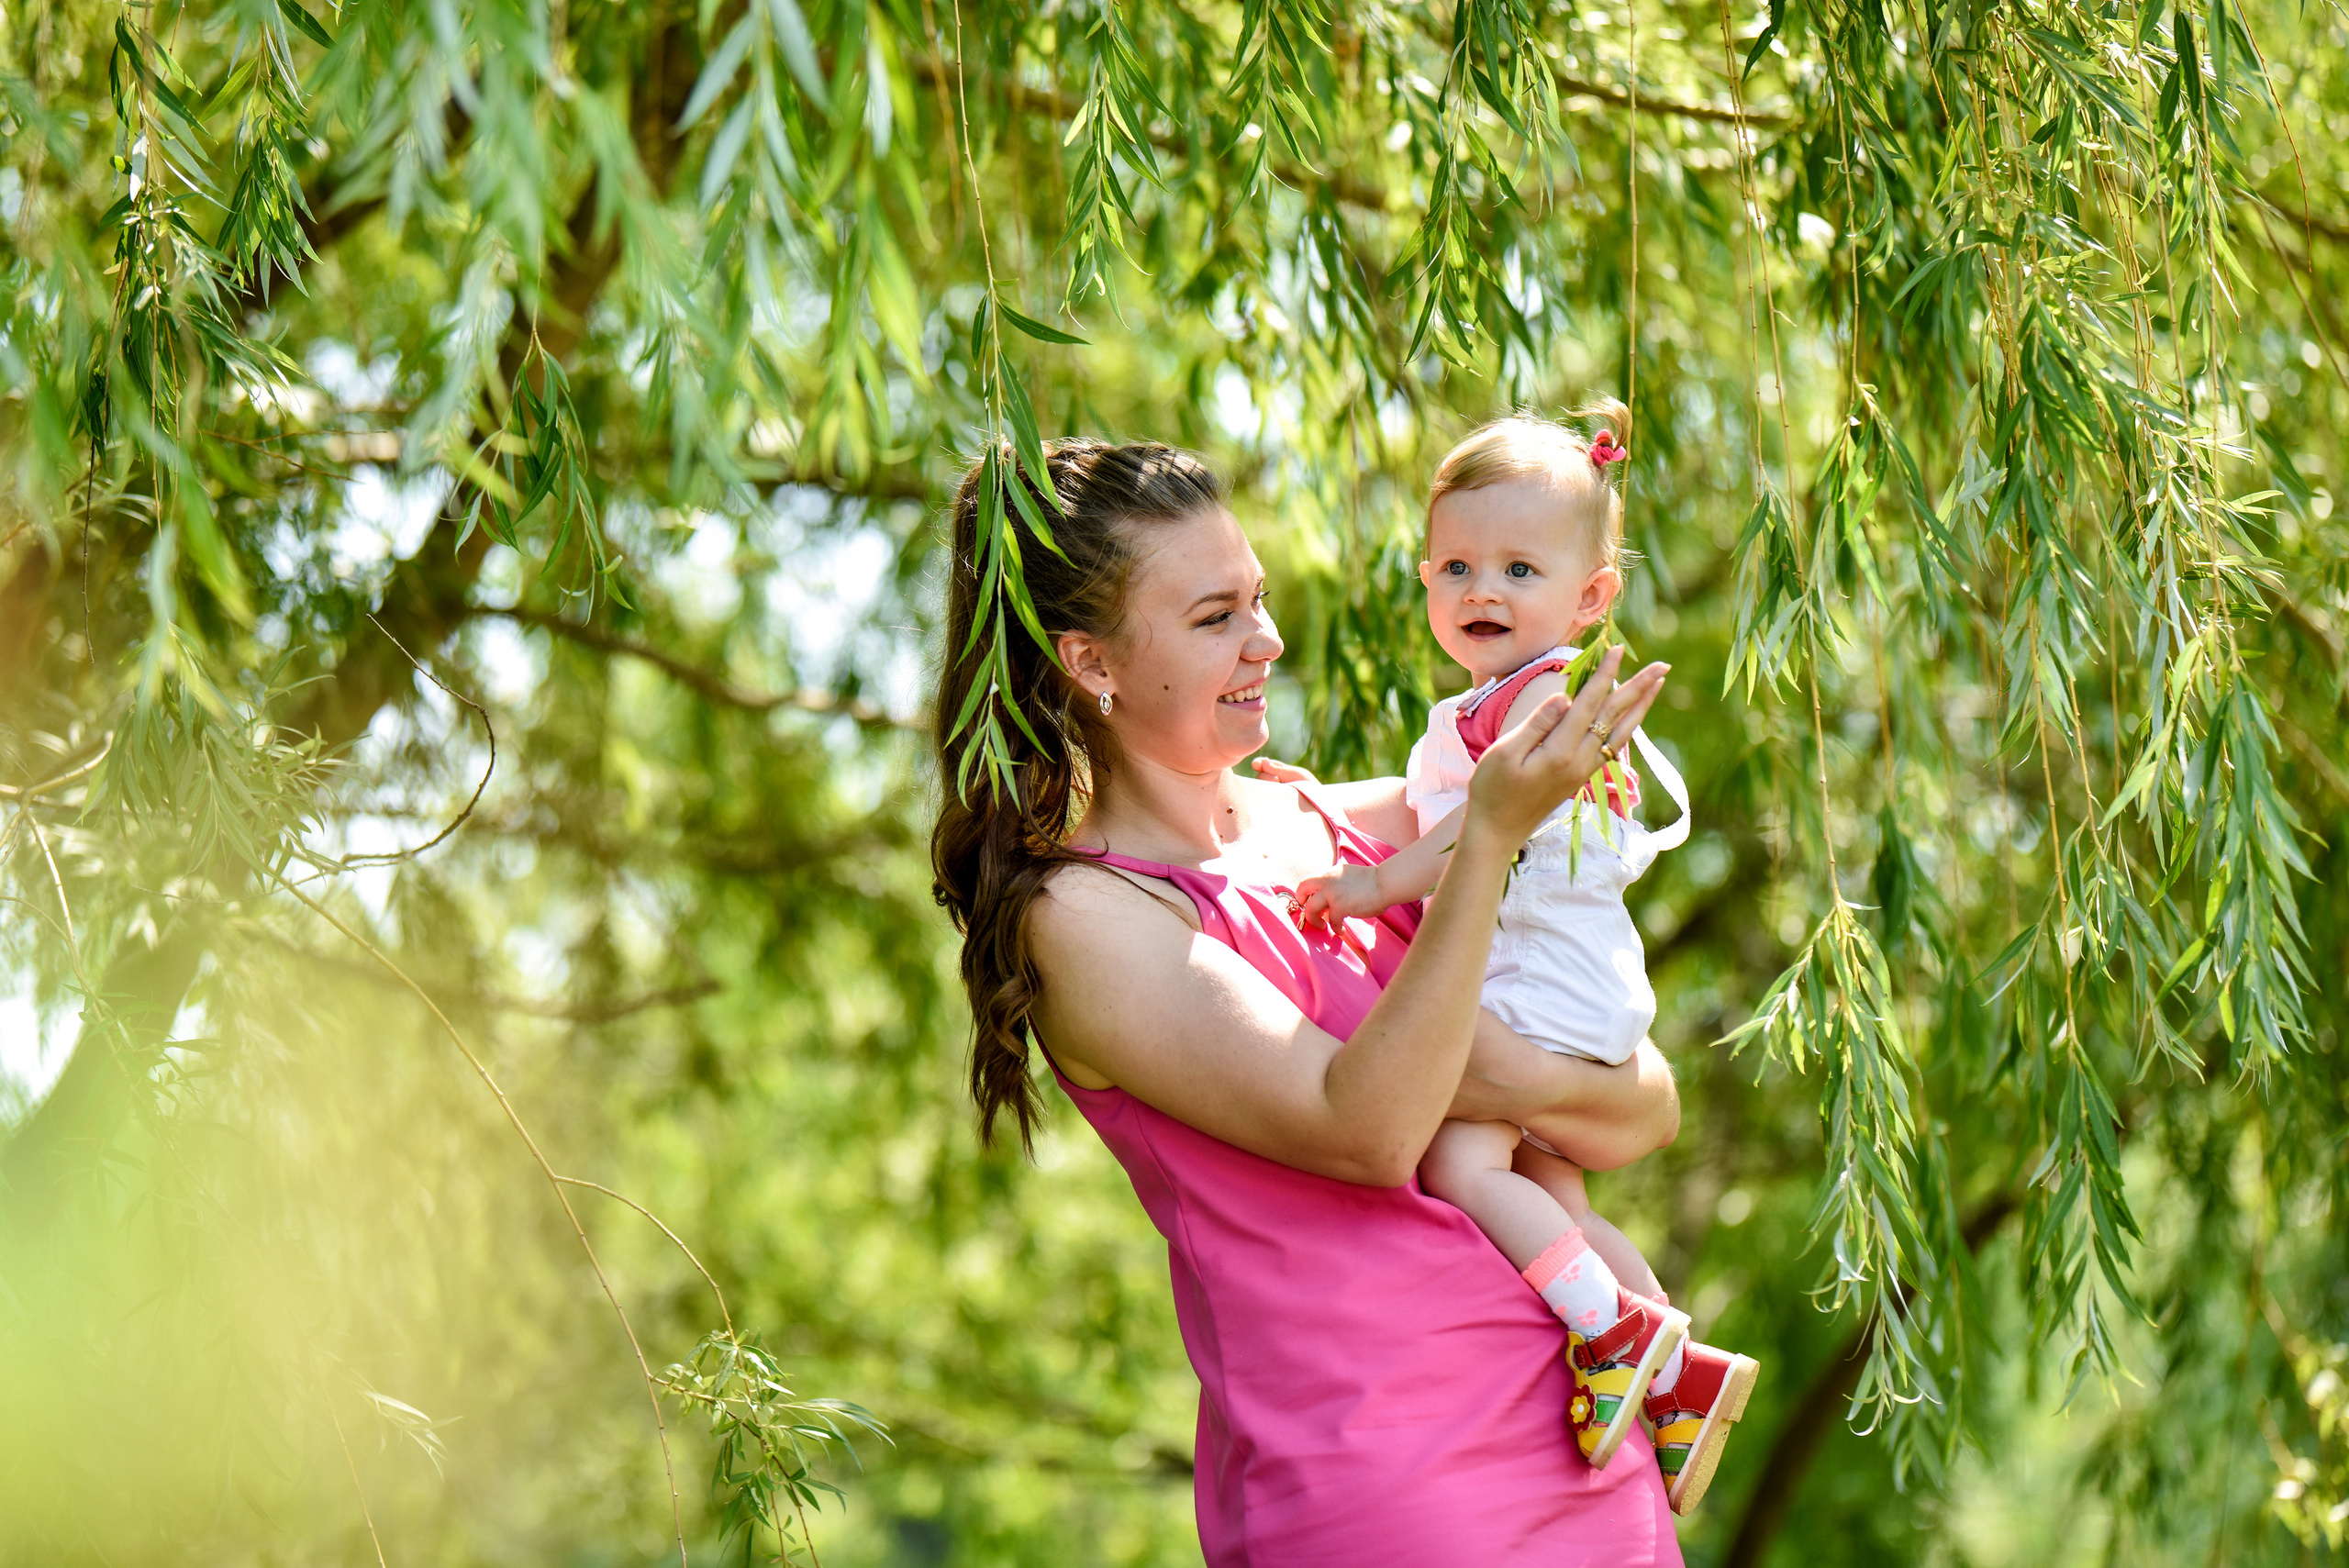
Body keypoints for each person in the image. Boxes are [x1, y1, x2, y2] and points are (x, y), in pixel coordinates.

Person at [930, 437, 1686, 1565]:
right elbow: (1370, 1129)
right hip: (1394, 1489)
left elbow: (1643, 1110)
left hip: (1589, 1444)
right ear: (1092, 663)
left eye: (1261, 598)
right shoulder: (1088, 918)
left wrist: (1495, 1071)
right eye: (1215, 615)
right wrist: (1484, 841)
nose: (1267, 641)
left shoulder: (1345, 828)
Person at [1278, 406, 1757, 1515]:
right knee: (1553, 1193)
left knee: (1460, 1169)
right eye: (1455, 565)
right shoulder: (1505, 698)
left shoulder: (1540, 696)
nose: (1479, 588)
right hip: (1572, 983)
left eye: (1517, 566)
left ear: (1589, 599)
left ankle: (1609, 1327)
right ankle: (1682, 1372)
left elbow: (1475, 831)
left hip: (1534, 982)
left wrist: (1371, 887)